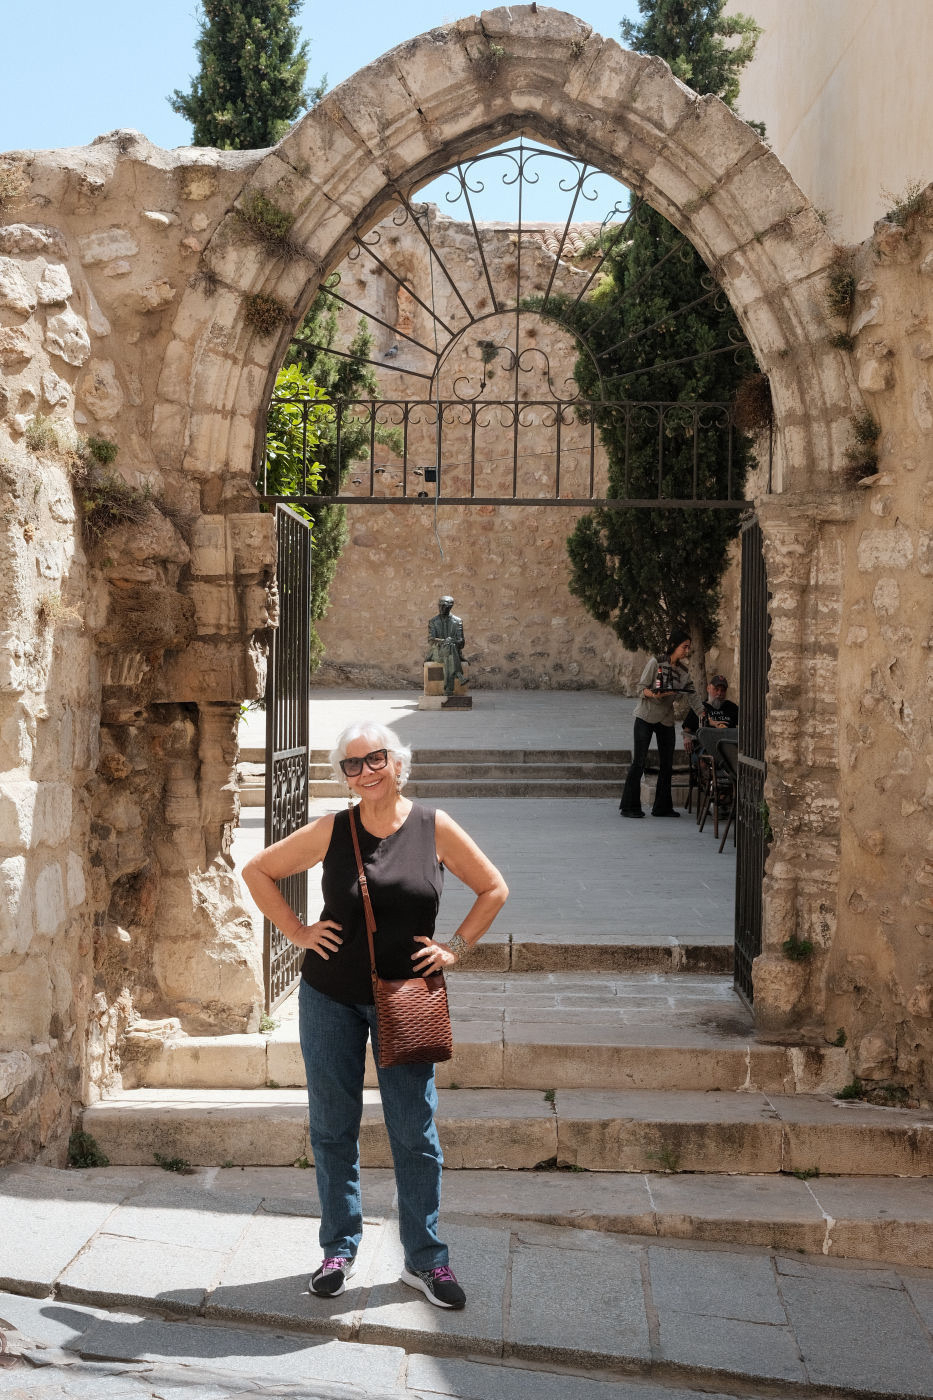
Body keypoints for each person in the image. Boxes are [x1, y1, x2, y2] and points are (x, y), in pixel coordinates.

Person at [242, 721, 508, 1312]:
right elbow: (257, 870)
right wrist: (298, 932)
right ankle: (338, 1251)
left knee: (414, 1131)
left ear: (398, 762)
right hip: (330, 997)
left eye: (375, 759)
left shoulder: (434, 827)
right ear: (344, 776)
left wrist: (454, 948)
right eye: (352, 764)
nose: (365, 772)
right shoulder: (332, 830)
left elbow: (493, 889)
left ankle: (426, 1260)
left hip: (408, 1000)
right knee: (332, 1126)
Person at [619, 628, 703, 818]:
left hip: (666, 719)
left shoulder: (683, 672)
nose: (687, 651)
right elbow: (641, 689)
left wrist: (703, 713)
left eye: (688, 647)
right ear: (674, 645)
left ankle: (662, 807)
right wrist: (655, 694)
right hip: (645, 716)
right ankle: (629, 807)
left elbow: (692, 695)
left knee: (667, 763)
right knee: (639, 761)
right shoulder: (655, 662)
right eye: (684, 647)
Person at [682, 674, 739, 756]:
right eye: (716, 689)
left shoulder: (732, 707)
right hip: (705, 748)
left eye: (723, 690)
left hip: (728, 749)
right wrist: (687, 738)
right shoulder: (699, 708)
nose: (719, 693)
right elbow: (686, 730)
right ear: (708, 688)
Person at [427, 595, 466, 696]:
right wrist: (444, 641)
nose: (442, 608)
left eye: (445, 606)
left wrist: (451, 641)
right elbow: (431, 640)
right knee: (449, 646)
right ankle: (458, 675)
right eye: (440, 606)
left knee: (450, 647)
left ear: (450, 607)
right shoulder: (433, 621)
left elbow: (461, 643)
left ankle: (449, 689)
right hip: (438, 652)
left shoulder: (457, 621)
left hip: (452, 653)